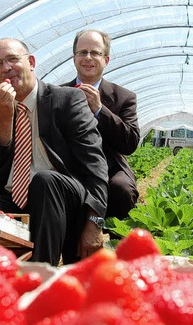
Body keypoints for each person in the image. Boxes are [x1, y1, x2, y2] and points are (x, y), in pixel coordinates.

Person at [0, 38, 108, 266]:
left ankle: (40, 274)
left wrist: (94, 222)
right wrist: (4, 119)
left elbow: (95, 164)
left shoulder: (67, 99)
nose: (5, 68)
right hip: (15, 196)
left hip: (62, 194)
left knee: (45, 181)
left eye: (12, 59)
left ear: (31, 62)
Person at [60, 29, 139, 220]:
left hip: (110, 168)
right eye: (82, 52)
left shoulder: (123, 97)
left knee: (121, 189)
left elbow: (129, 143)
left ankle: (119, 245)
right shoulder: (57, 94)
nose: (88, 58)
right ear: (74, 58)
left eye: (95, 53)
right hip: (69, 167)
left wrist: (99, 109)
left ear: (106, 59)